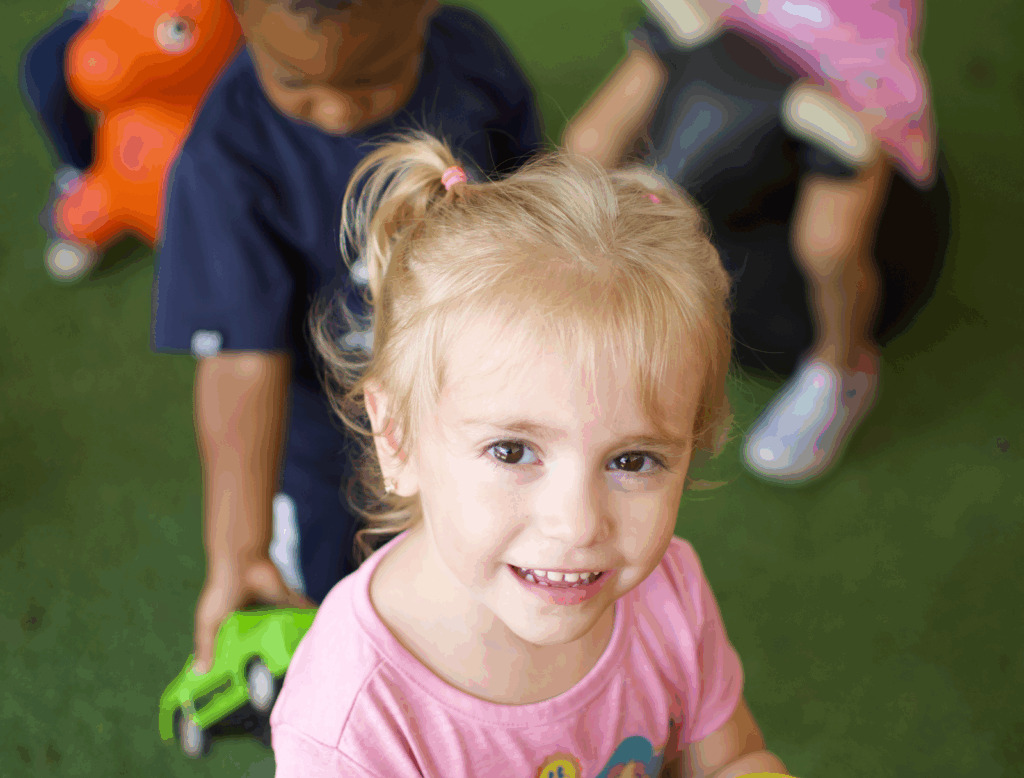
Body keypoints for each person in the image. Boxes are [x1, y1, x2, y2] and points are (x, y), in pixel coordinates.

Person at [270, 131, 789, 778]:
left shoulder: (668, 591)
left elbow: (729, 758)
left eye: (632, 461)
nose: (576, 525)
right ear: (397, 437)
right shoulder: (355, 719)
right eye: (512, 451)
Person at [150, 0, 542, 674]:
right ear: (240, 18)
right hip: (331, 456)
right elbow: (240, 362)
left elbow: (532, 194)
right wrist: (239, 552)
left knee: (487, 591)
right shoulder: (225, 157)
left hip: (481, 416)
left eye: (372, 82)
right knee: (340, 617)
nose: (335, 111)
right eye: (296, 85)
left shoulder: (470, 56)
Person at [563, 0, 951, 484]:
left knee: (829, 243)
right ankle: (575, 288)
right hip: (726, 21)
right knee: (589, 142)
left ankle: (840, 366)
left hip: (847, 66)